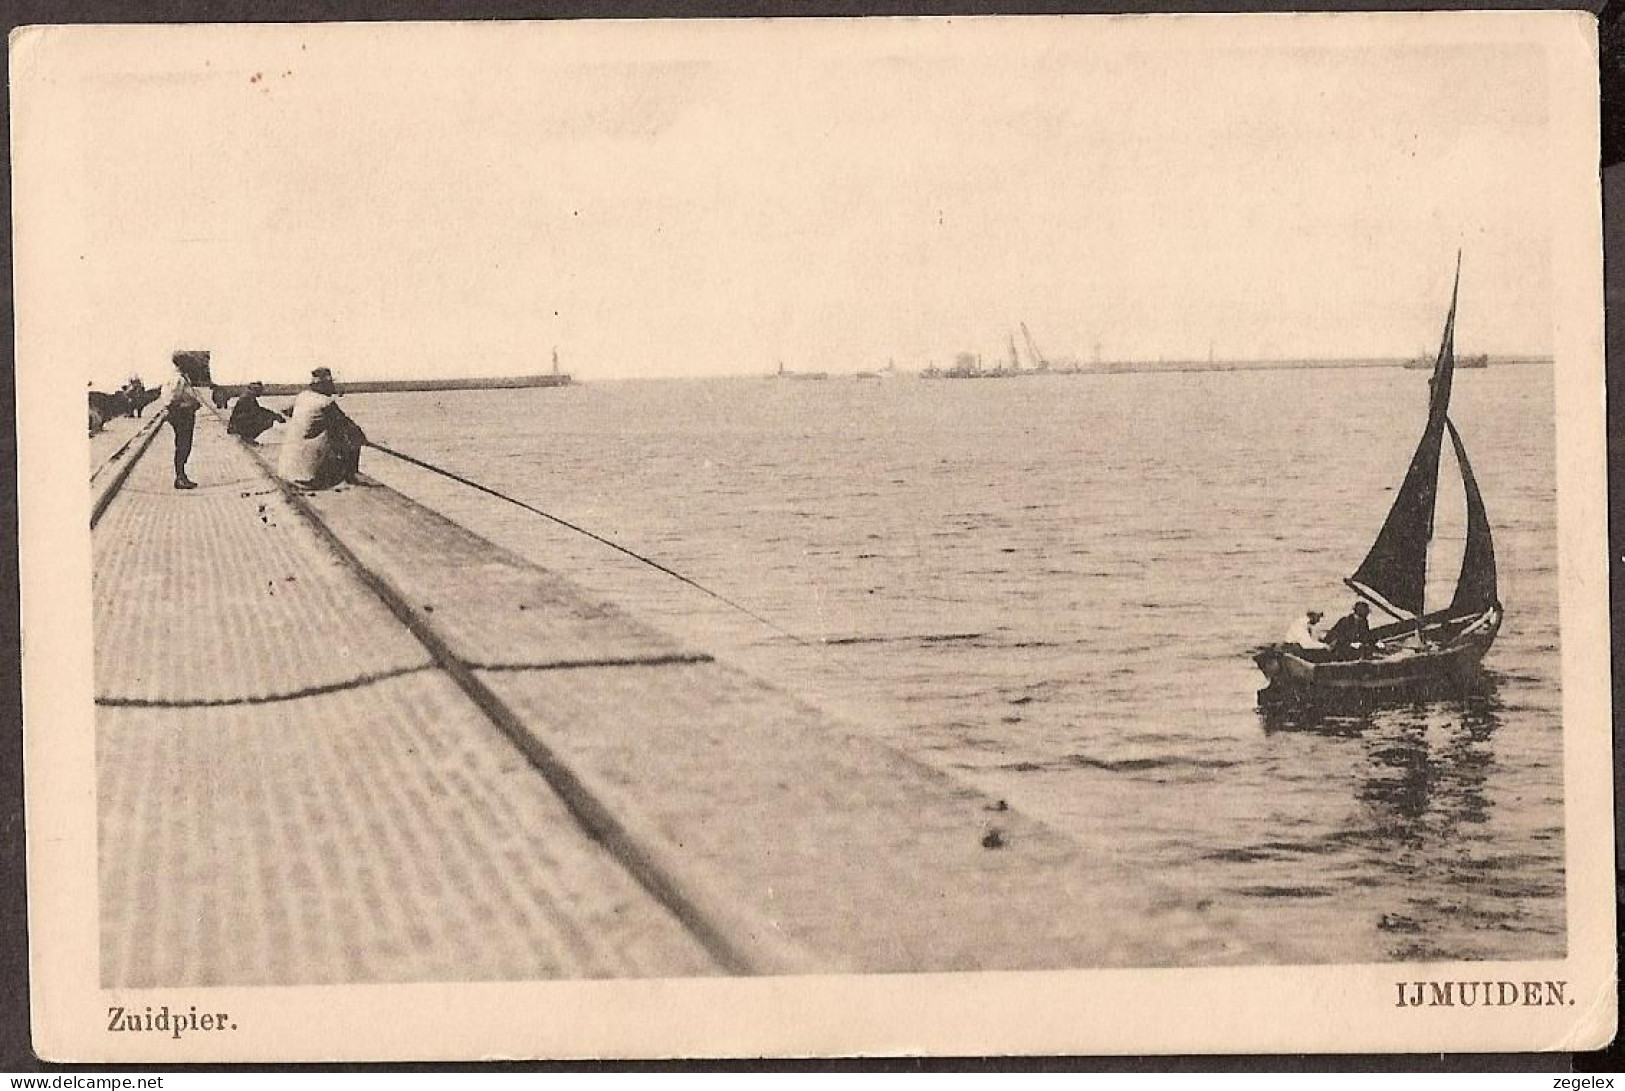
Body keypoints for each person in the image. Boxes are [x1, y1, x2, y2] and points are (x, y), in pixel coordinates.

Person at [277, 367, 368, 489]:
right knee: (352, 436)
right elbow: (348, 425)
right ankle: (350, 477)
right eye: (330, 384)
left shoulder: (302, 396)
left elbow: (285, 411)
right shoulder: (326, 402)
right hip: (307, 478)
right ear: (324, 385)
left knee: (332, 430)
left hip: (286, 471)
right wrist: (361, 438)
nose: (333, 386)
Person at [159, 352, 209, 489]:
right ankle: (180, 477)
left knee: (183, 444)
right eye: (188, 362)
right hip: (183, 414)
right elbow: (173, 398)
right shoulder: (178, 379)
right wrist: (187, 406)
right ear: (182, 363)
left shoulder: (179, 377)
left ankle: (181, 475)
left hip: (183, 413)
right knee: (183, 445)